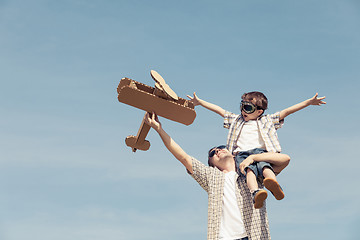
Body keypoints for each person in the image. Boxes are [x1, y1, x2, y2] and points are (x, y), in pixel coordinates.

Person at [144, 112, 290, 240]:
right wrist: (159, 129)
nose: (218, 151)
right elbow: (184, 158)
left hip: (254, 235)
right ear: (212, 164)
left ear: (233, 153)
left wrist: (253, 158)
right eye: (213, 153)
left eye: (221, 148)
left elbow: (284, 160)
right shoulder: (211, 177)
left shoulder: (249, 170)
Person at [187, 91, 326, 208]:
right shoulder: (237, 120)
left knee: (265, 167)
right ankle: (255, 193)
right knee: (249, 172)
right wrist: (201, 102)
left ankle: (274, 185)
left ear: (259, 111)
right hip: (241, 154)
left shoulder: (267, 120)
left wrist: (308, 102)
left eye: (247, 109)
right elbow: (220, 111)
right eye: (242, 106)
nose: (243, 111)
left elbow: (287, 111)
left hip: (260, 152)